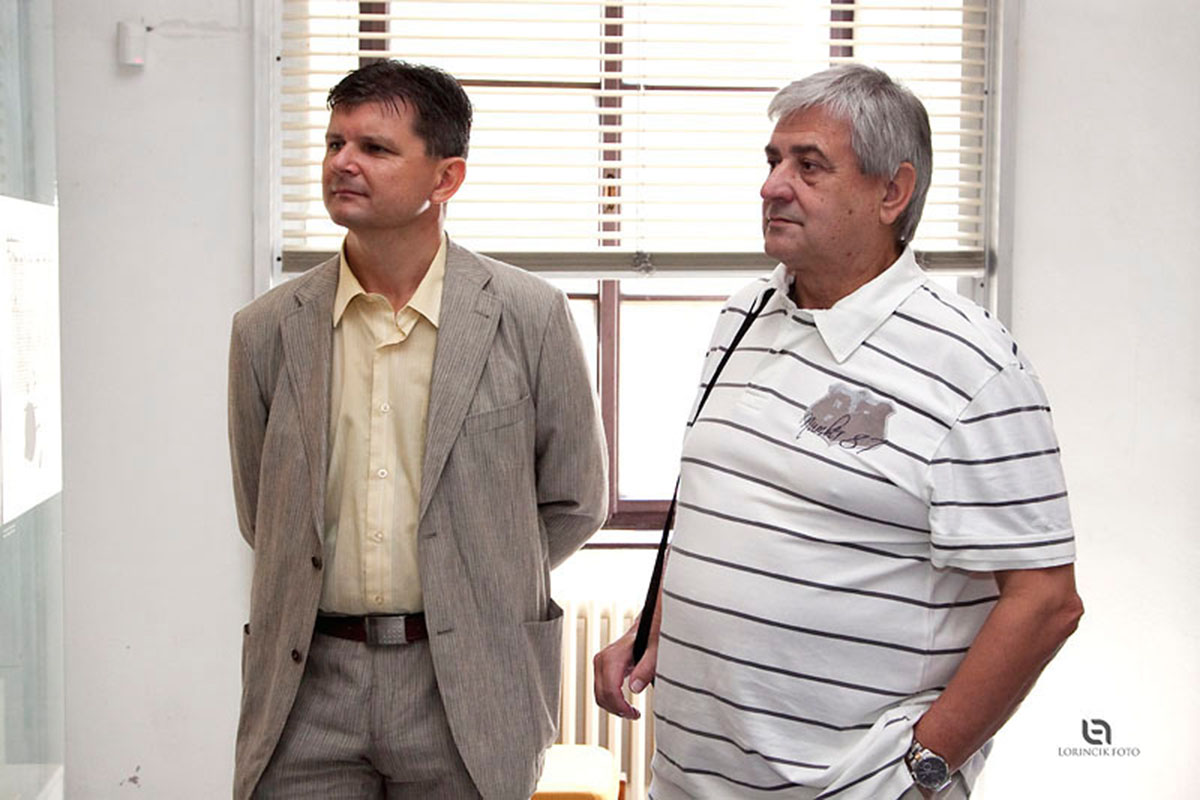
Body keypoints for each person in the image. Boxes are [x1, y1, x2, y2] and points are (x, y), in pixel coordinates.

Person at [594, 63, 1083, 799]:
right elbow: (720, 505)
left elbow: (1045, 602)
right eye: (773, 161)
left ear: (892, 192)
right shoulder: (743, 317)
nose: (773, 186)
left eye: (809, 165)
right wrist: (654, 627)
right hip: (690, 780)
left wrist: (924, 768)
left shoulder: (971, 363)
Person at [228, 60, 607, 799]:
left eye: (375, 148)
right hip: (305, 684)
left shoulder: (530, 315)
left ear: (446, 178)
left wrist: (476, 577)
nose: (343, 162)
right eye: (335, 143)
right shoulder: (265, 329)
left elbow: (575, 500)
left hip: (469, 680)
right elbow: (262, 513)